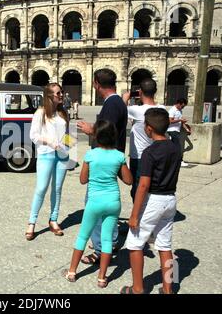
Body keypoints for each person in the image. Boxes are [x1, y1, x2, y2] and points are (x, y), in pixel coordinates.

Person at [62, 120, 132, 287]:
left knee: (83, 236)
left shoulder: (91, 155)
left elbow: (83, 179)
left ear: (96, 136)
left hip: (95, 201)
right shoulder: (119, 156)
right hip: (113, 202)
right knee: (107, 239)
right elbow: (129, 180)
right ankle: (101, 277)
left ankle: (72, 272)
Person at [120, 108, 182, 294]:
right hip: (170, 198)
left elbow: (143, 185)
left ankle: (138, 288)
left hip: (153, 200)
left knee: (134, 243)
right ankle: (169, 288)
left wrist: (133, 214)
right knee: (165, 245)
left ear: (148, 128)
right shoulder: (175, 148)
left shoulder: (149, 152)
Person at [77, 69, 128, 265]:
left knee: (96, 206)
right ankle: (111, 241)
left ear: (97, 83)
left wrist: (92, 130)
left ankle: (100, 249)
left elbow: (108, 134)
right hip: (112, 160)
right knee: (107, 205)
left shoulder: (112, 104)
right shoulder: (117, 103)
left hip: (103, 162)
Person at [25, 83, 69, 241]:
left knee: (57, 189)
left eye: (61, 92)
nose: (61, 95)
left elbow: (67, 134)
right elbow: (33, 135)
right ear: (49, 96)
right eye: (58, 93)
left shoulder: (63, 112)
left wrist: (69, 146)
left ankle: (54, 220)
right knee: (41, 188)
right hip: (46, 154)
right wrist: (50, 142)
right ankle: (32, 222)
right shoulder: (41, 112)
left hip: (62, 155)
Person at [122, 78, 166, 201]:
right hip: (157, 154)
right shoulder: (162, 109)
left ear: (140, 92)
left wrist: (126, 97)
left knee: (137, 187)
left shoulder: (136, 110)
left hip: (139, 156)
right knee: (152, 185)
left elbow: (121, 108)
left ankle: (139, 215)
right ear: (155, 91)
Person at [167, 98, 191, 167]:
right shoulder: (172, 110)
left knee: (175, 147)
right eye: (182, 106)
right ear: (179, 104)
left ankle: (174, 161)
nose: (183, 108)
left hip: (177, 130)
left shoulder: (180, 111)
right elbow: (170, 121)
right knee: (178, 147)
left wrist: (187, 129)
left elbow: (181, 122)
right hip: (171, 130)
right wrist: (179, 119)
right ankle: (179, 161)